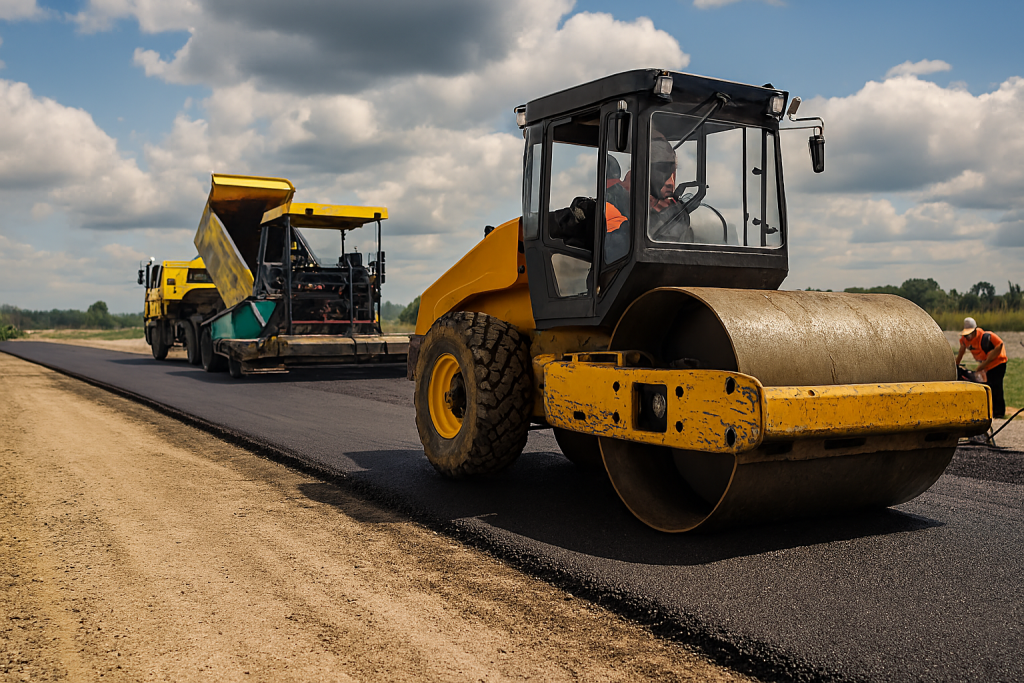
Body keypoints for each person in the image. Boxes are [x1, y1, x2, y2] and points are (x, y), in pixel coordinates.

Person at [956, 316, 1008, 418]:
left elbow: (1000, 345)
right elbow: (961, 351)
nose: (968, 337)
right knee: (988, 386)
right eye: (966, 335)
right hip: (986, 366)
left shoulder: (987, 336)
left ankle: (999, 413)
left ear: (975, 330)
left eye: (970, 334)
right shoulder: (964, 340)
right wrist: (956, 365)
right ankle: (990, 411)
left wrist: (984, 364)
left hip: (998, 363)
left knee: (996, 386)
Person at [647, 135, 693, 243]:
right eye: (662, 171)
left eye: (673, 173)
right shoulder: (624, 206)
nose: (670, 183)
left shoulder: (680, 214)